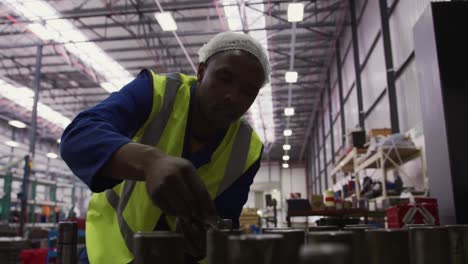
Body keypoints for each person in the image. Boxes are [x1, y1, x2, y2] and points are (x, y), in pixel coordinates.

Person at [60, 31, 270, 264]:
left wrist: (206, 242)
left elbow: (222, 222)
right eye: (224, 78)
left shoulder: (247, 149)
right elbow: (78, 136)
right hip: (110, 251)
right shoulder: (155, 92)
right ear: (201, 71)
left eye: (249, 91)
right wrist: (149, 161)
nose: (233, 95)